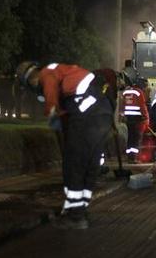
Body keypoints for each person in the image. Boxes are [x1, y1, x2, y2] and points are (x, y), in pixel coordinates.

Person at [16, 61, 114, 229]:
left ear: (31, 79)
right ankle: (80, 209)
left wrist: (52, 110)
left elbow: (50, 88)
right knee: (89, 163)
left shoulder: (47, 73)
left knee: (73, 162)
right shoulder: (66, 76)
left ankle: (76, 217)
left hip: (87, 110)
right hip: (103, 111)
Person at [120, 77, 149, 163]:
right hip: (137, 118)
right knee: (136, 138)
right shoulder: (138, 92)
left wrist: (122, 116)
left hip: (128, 118)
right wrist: (146, 117)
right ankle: (134, 158)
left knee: (130, 137)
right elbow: (142, 105)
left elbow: (122, 105)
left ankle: (129, 157)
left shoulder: (126, 92)